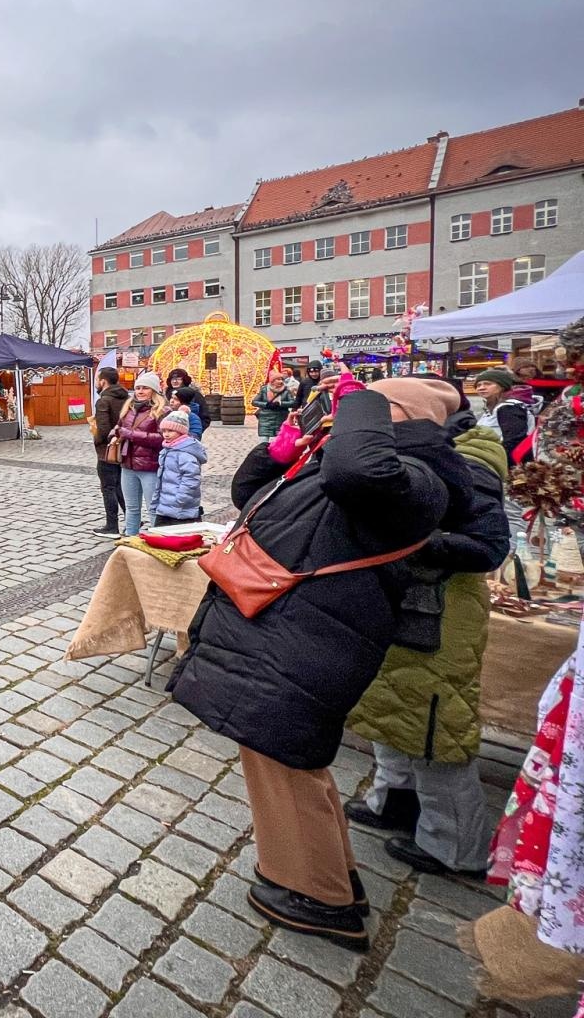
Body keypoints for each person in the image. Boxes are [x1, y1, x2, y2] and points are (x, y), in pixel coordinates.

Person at [168, 375, 466, 953]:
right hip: (284, 634)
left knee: (286, 763)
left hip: (306, 641)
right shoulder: (344, 466)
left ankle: (316, 896)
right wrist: (284, 443)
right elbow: (250, 491)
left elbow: (357, 469)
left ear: (388, 421)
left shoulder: (419, 481)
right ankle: (333, 877)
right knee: (288, 762)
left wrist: (362, 402)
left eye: (363, 412)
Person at [345, 398, 509, 875]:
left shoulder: (470, 463)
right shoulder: (393, 456)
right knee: (390, 711)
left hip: (441, 613)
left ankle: (455, 847)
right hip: (399, 604)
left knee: (437, 730)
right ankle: (392, 801)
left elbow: (488, 545)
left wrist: (410, 540)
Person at [111, 371, 164, 537]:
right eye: (138, 388)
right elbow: (118, 428)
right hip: (128, 465)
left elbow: (163, 438)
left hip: (150, 466)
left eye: (145, 388)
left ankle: (158, 541)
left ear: (154, 391)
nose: (140, 391)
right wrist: (113, 436)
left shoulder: (162, 411)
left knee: (153, 508)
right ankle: (130, 540)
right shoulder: (129, 408)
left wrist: (130, 435)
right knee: (131, 507)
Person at [91, 366, 129, 536]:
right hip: (124, 447)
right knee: (121, 486)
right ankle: (131, 519)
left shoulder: (103, 401)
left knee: (108, 487)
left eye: (97, 380)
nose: (96, 384)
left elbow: (104, 429)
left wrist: (96, 438)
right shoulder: (127, 398)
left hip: (107, 451)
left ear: (103, 381)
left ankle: (111, 526)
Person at [152, 409, 206, 525]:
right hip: (165, 505)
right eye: (164, 431)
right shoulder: (167, 450)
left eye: (170, 431)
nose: (166, 434)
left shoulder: (185, 454)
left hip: (180, 508)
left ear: (181, 432)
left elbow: (191, 479)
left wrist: (180, 499)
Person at [475, 368, 536, 465]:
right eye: (478, 385)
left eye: (488, 384)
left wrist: (496, 462)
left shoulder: (509, 408)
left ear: (502, 386)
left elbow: (514, 440)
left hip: (508, 463)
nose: (481, 387)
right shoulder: (493, 408)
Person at [253, 364, 299, 439]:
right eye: (278, 379)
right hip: (266, 419)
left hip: (280, 418)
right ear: (272, 381)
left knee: (278, 441)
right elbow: (254, 402)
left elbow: (293, 403)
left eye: (281, 379)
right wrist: (266, 404)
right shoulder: (264, 390)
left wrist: (281, 403)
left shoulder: (286, 390)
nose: (280, 381)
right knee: (264, 441)